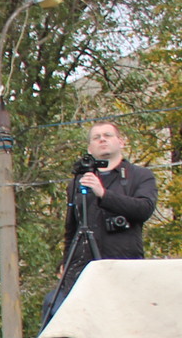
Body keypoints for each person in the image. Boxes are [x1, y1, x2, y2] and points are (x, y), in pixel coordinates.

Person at [50, 120, 158, 321]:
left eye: (107, 135)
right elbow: (71, 226)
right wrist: (66, 262)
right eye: (96, 137)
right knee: (59, 313)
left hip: (122, 265)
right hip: (83, 268)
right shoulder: (79, 181)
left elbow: (144, 209)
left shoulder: (140, 176)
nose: (102, 140)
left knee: (121, 320)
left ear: (121, 142)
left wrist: (103, 194)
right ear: (90, 148)